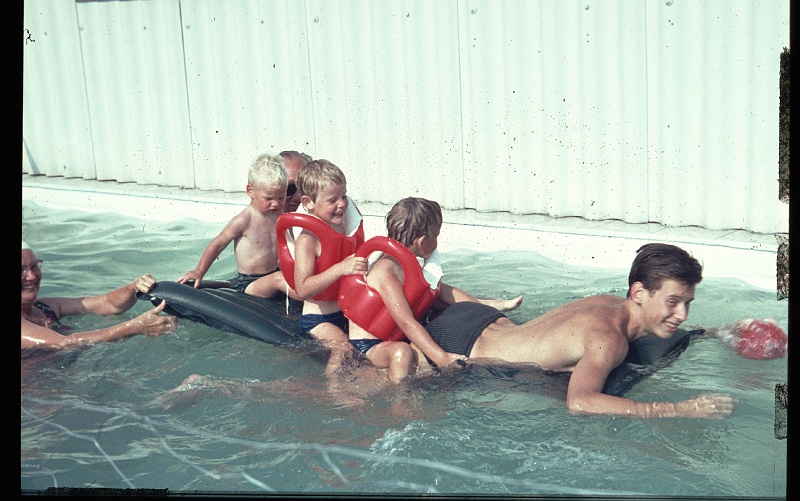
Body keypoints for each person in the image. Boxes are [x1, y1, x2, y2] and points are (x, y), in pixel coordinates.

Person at [414, 243, 740, 419]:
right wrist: (678, 410)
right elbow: (580, 402)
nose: (682, 314)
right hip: (465, 345)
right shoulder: (608, 341)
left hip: (478, 317)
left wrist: (716, 332)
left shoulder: (610, 302)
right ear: (639, 294)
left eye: (687, 303)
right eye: (673, 302)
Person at [344, 197, 523, 382]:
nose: (437, 241)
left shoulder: (404, 262)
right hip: (368, 346)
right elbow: (406, 322)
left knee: (441, 290)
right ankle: (401, 400)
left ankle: (486, 306)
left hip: (391, 334)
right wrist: (441, 358)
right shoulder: (385, 271)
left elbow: (437, 292)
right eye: (436, 236)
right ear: (422, 242)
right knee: (402, 352)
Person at [278, 159, 368, 370]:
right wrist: (340, 268)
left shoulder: (346, 228)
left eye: (344, 196)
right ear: (309, 203)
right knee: (343, 348)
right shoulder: (307, 240)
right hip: (317, 319)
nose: (342, 204)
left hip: (346, 313)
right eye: (332, 200)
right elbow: (302, 288)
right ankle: (333, 394)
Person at [21, 240, 177, 354]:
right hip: (38, 392)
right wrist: (136, 327)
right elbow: (65, 343)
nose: (32, 277)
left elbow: (108, 304)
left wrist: (133, 287)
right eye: (21, 270)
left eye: (34, 266)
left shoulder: (45, 307)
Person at [178, 153, 300, 299]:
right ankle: (308, 295)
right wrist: (199, 271)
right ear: (251, 191)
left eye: (281, 197)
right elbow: (218, 244)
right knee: (278, 279)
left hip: (271, 274)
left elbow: (290, 241)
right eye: (268, 198)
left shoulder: (279, 213)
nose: (276, 203)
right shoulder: (244, 220)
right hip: (249, 283)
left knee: (282, 275)